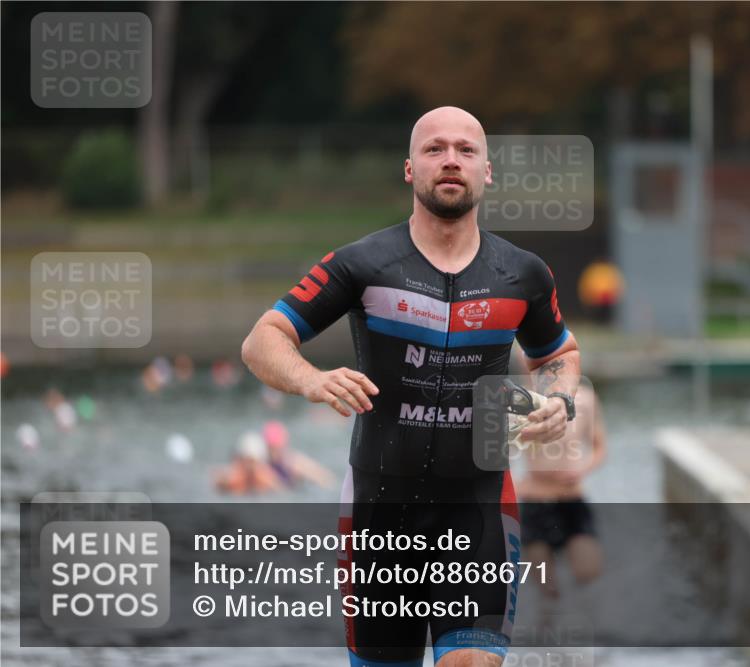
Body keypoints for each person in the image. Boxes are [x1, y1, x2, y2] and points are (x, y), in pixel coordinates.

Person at [241, 106, 580, 667]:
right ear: (409, 169)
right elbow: (263, 340)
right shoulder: (363, 263)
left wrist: (561, 399)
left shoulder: (523, 274)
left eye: (466, 150)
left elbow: (559, 354)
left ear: (487, 171)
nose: (451, 160)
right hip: (378, 513)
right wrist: (313, 379)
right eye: (435, 149)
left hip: (479, 508)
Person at [517, 384, 606, 598]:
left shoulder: (585, 397)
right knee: (548, 588)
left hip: (571, 497)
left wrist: (583, 469)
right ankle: (548, 622)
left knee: (589, 572)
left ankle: (587, 621)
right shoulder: (518, 399)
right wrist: (513, 486)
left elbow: (599, 447)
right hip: (534, 499)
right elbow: (492, 453)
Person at [262, 420, 336, 488]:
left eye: (275, 447)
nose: (274, 452)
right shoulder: (262, 464)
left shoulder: (294, 462)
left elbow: (326, 480)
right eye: (271, 448)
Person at [214, 431, 283, 495]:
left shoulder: (265, 477)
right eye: (245, 461)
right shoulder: (232, 476)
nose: (248, 467)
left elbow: (278, 488)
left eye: (251, 462)